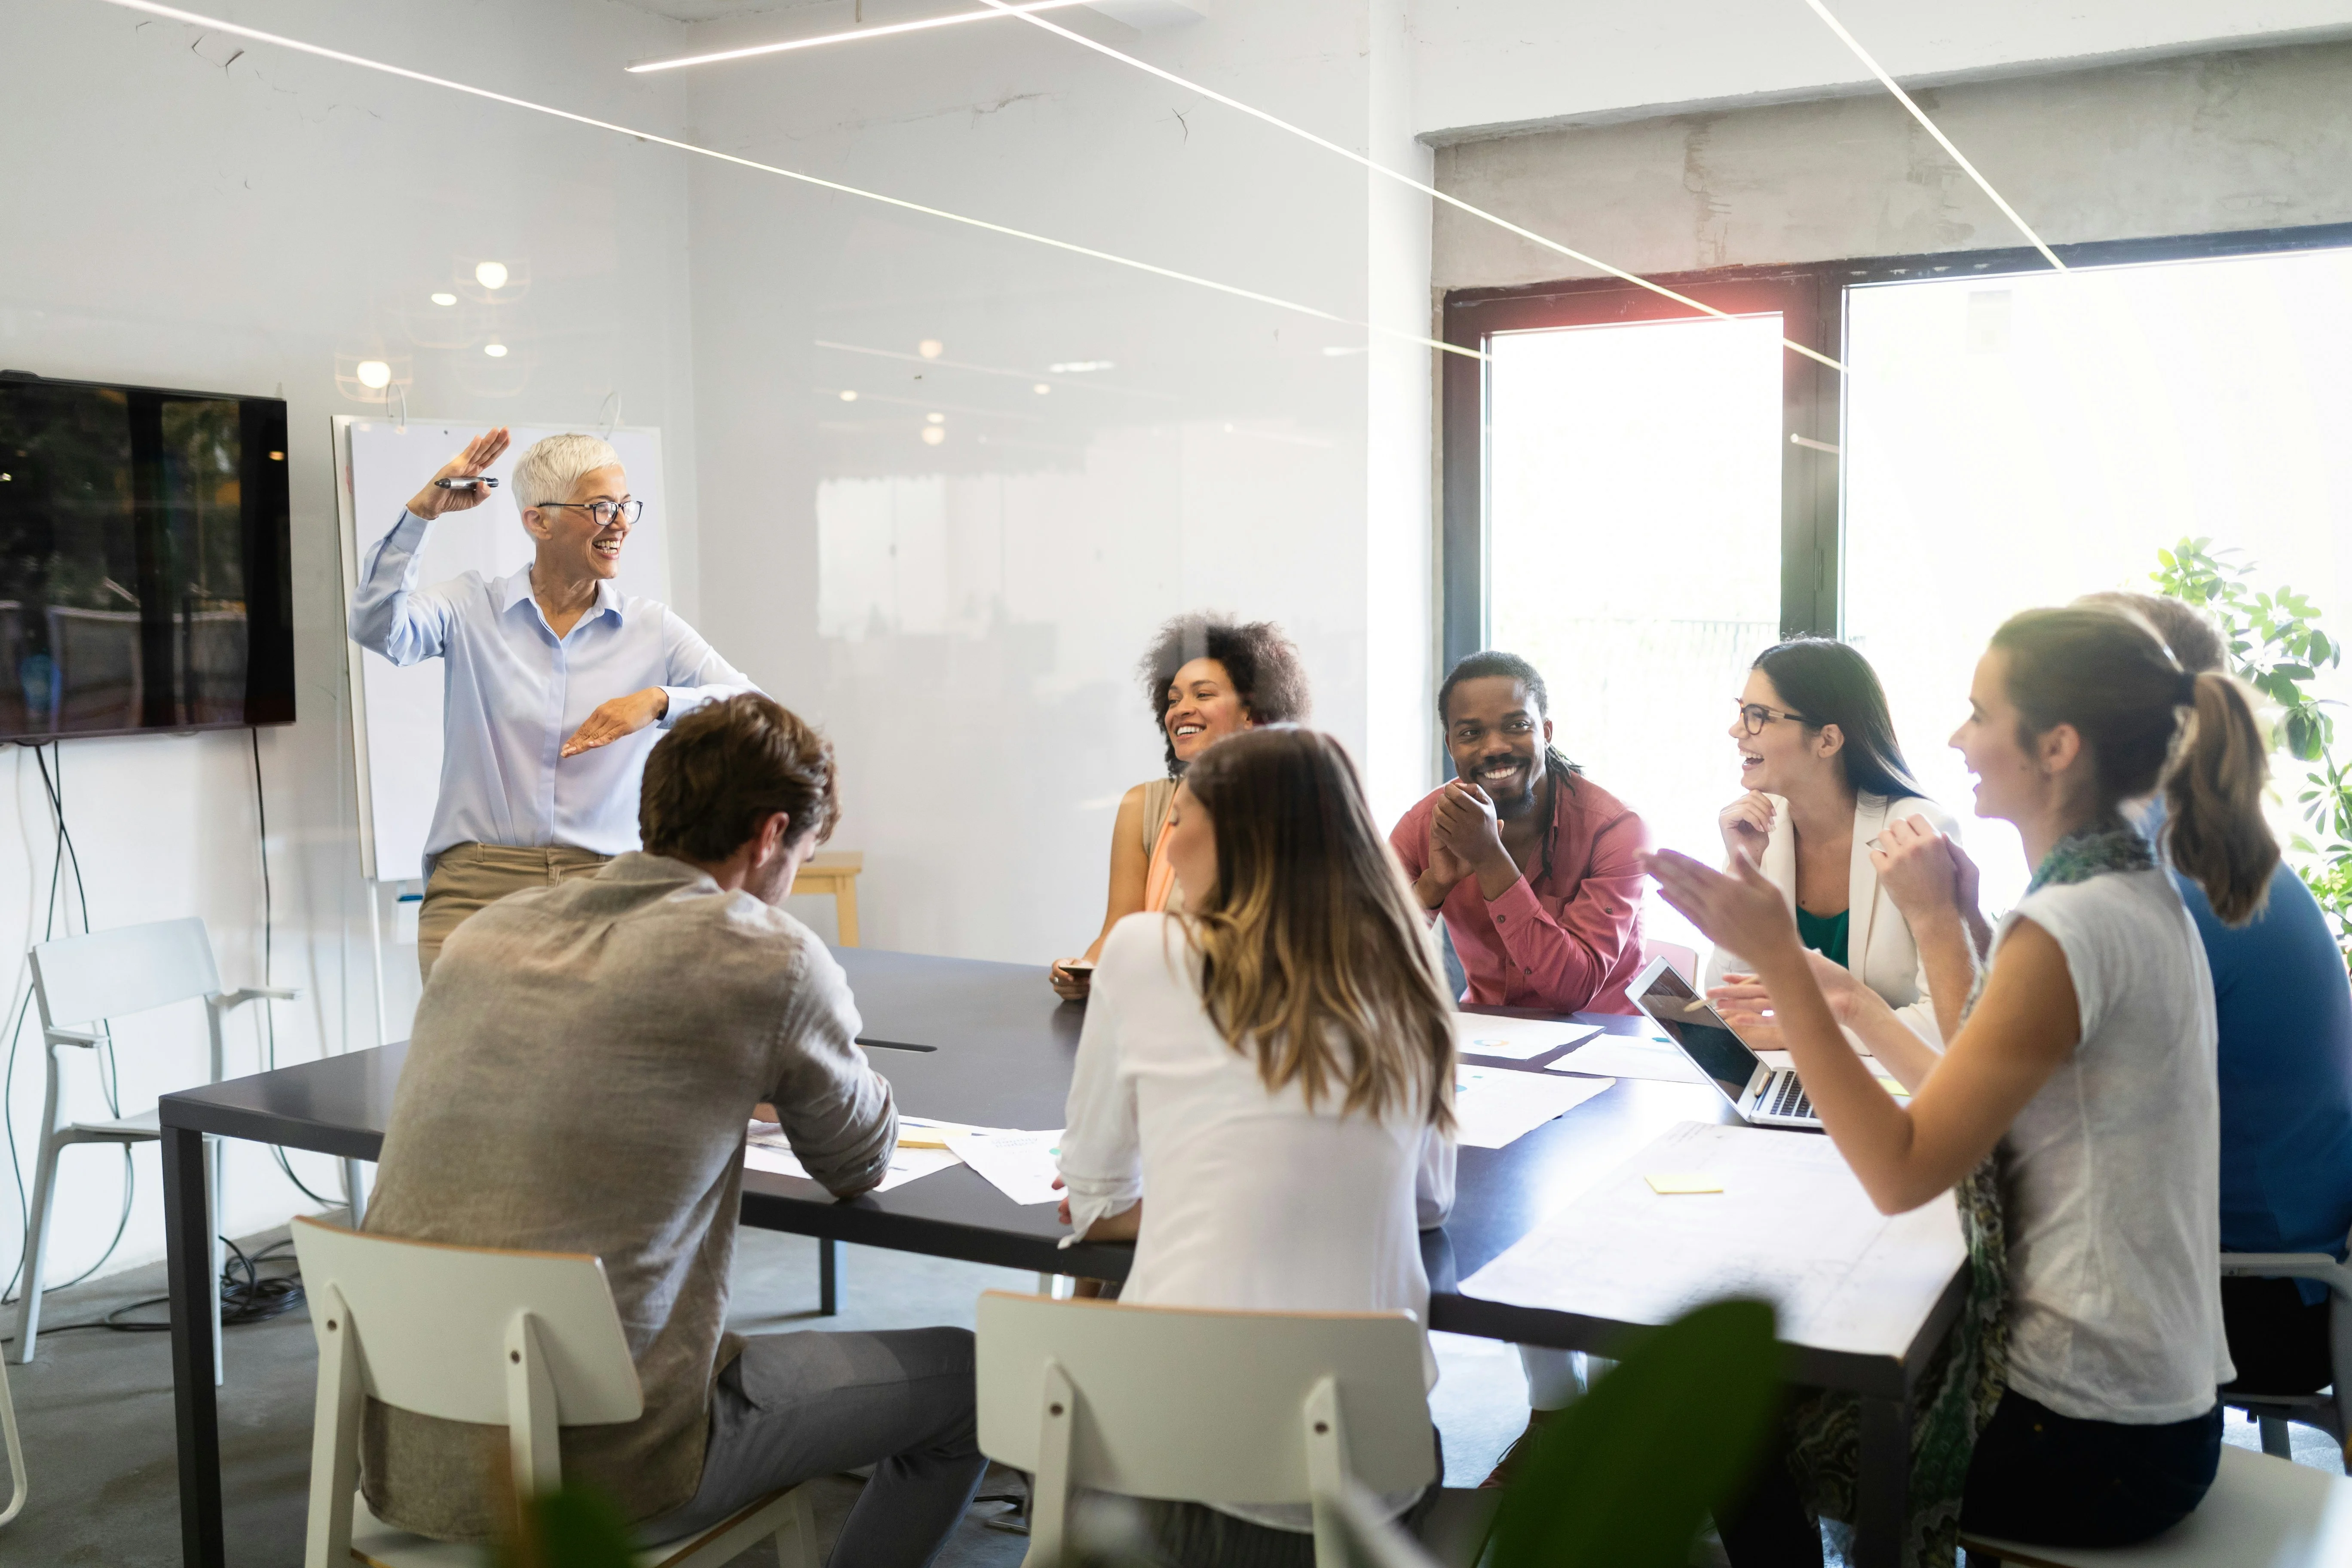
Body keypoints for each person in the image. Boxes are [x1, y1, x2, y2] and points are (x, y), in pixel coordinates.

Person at [1650, 604, 2273, 1561]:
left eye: (1980, 714)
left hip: (2092, 1439)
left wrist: (1781, 960)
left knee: (1714, 1412)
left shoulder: (2072, 925)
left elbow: (1906, 1169)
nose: (1955, 738)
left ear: (2056, 746)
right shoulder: (2119, 891)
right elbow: (1987, 1100)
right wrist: (1900, 969)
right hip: (2155, 1414)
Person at [359, 693, 984, 1563]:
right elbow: (859, 1160)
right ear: (770, 836)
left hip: (410, 1459)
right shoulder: (768, 956)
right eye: (802, 855)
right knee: (973, 1380)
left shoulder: (482, 934)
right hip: (607, 1474)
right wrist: (804, 1043)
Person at [1057, 726, 1458, 1565]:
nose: (1170, 833)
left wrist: (1200, 1193)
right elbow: (1430, 1202)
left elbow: (1095, 1200)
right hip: (1368, 1478)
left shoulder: (1143, 952)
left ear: (1239, 837)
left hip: (1170, 1451)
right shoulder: (1412, 963)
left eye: (1187, 810)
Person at [349, 428, 759, 977]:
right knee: (471, 1057)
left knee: (601, 1059)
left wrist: (661, 701)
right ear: (538, 522)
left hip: (608, 886)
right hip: (479, 885)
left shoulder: (651, 628)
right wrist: (422, 513)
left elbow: (754, 709)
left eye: (625, 505)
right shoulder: (472, 607)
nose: (621, 523)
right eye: (601, 507)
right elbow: (379, 626)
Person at [2082, 591, 2352, 1397]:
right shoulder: (2194, 845)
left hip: (2253, 1299)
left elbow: (2043, 1115)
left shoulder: (2169, 885)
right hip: (2274, 1268)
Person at [1703, 640, 1972, 1052]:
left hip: (1899, 1088)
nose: (1737, 730)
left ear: (1827, 741)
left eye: (1758, 717)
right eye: (1742, 712)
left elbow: (1950, 1020)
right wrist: (1744, 871)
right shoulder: (1759, 830)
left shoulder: (1918, 833)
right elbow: (1727, 1000)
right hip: (1806, 1076)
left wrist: (1797, 1037)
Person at [1050, 613, 1310, 1000]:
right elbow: (1118, 933)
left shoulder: (1292, 809)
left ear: (1251, 714)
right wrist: (1085, 974)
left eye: (1203, 695)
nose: (1181, 710)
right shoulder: (1143, 805)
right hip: (1156, 1016)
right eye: (1173, 700)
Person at [1390, 650, 1651, 1013]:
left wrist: (1489, 857)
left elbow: (1575, 990)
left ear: (1545, 732)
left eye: (1517, 726)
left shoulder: (1614, 829)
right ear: (1451, 745)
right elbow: (1365, 966)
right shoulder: (1425, 825)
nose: (1495, 747)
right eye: (1471, 733)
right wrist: (1434, 886)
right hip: (1488, 1041)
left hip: (1605, 1039)